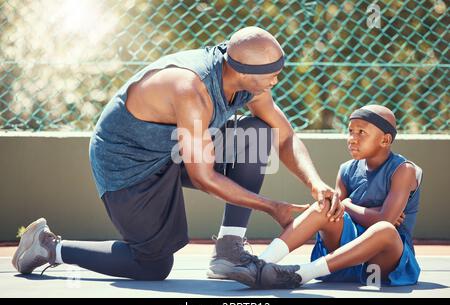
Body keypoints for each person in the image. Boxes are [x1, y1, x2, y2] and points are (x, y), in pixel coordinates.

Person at [12, 27, 342, 281]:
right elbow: (204, 176)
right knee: (153, 264)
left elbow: (285, 136)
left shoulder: (249, 84)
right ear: (241, 70)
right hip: (128, 161)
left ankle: (229, 249)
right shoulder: (193, 90)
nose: (277, 76)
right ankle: (48, 246)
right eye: (271, 70)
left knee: (255, 133)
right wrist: (275, 208)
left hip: (174, 146)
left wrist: (315, 183)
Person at [228, 105, 423, 289]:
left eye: (361, 132)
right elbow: (335, 211)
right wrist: (353, 208)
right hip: (343, 259)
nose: (352, 138)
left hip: (382, 262)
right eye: (350, 131)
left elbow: (384, 220)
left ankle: (301, 274)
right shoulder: (347, 169)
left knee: (385, 229)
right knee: (325, 206)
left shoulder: (403, 170)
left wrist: (347, 204)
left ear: (385, 140)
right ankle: (259, 264)